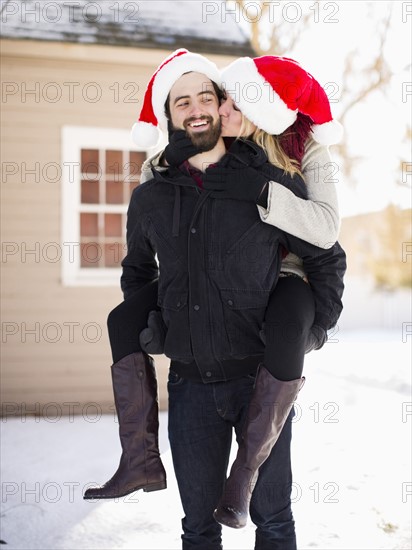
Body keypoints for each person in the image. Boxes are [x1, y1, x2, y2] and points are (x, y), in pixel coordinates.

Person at [106, 49, 345, 550]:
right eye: (181, 101)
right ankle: (137, 459)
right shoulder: (153, 189)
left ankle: (245, 477)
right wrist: (153, 319)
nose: (196, 109)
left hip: (261, 372)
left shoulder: (272, 176)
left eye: (206, 98)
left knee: (273, 519)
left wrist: (319, 325)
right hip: (191, 386)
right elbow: (137, 272)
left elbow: (325, 250)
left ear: (221, 108)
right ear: (169, 116)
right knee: (197, 529)